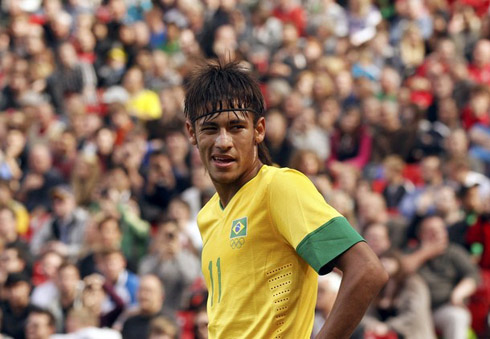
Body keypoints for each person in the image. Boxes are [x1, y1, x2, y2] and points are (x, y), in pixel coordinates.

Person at [183, 60, 388, 338]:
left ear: (259, 130)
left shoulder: (279, 188)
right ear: (191, 133)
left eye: (236, 127)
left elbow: (367, 270)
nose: (223, 141)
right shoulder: (208, 215)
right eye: (210, 128)